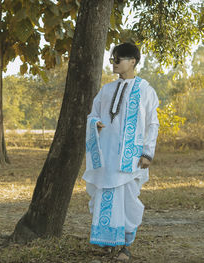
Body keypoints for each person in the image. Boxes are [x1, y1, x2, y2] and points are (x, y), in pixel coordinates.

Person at [83, 42, 159, 261]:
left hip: (130, 157)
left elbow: (153, 124)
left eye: (118, 59)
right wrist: (95, 123)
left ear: (132, 61)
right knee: (104, 196)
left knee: (129, 200)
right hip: (106, 156)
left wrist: (148, 152)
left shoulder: (145, 90)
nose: (114, 63)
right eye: (112, 59)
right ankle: (106, 243)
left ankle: (126, 245)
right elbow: (92, 114)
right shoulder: (106, 90)